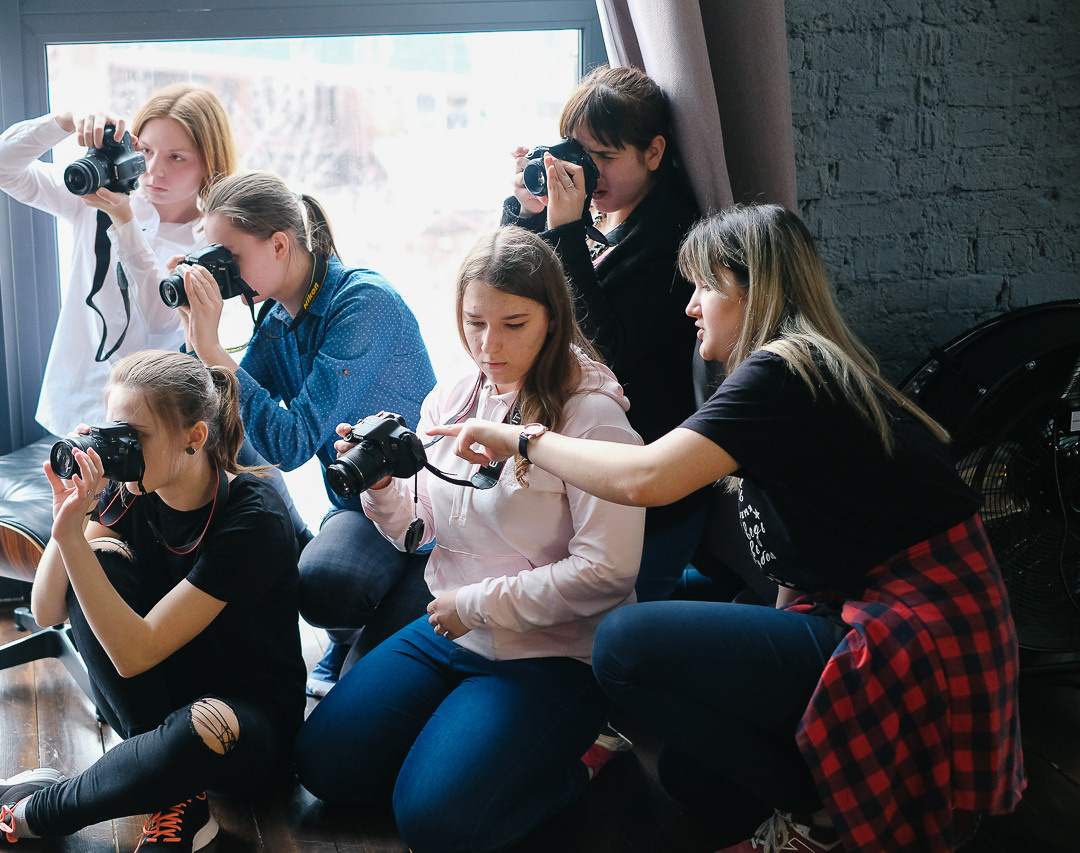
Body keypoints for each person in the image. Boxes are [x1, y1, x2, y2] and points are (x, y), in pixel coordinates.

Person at [433, 205, 1026, 853]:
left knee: (624, 641)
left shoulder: (783, 372)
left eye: (706, 287)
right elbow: (793, 558)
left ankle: (818, 817)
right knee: (695, 777)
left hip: (914, 631)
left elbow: (644, 479)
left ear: (756, 290)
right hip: (884, 608)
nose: (692, 306)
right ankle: (814, 790)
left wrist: (522, 439)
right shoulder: (798, 369)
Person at [293, 227, 645, 853]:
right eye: (475, 323)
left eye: (513, 324)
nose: (490, 345)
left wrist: (477, 604)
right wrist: (378, 485)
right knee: (324, 765)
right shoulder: (456, 395)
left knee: (434, 823)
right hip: (451, 629)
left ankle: (576, 765)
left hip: (550, 653)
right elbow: (417, 530)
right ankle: (467, 746)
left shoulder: (593, 419)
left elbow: (608, 572)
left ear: (552, 318)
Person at [0, 350, 306, 852]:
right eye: (113, 431)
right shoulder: (131, 489)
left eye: (134, 437)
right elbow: (48, 611)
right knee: (98, 558)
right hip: (156, 707)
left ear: (194, 437)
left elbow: (135, 653)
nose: (120, 451)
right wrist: (67, 522)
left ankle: (25, 811)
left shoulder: (253, 516)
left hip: (242, 726)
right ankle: (177, 801)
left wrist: (75, 540)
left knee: (199, 723)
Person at [0, 83, 309, 543]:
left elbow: (160, 317)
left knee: (220, 504)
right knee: (99, 540)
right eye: (146, 150)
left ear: (209, 164)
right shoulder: (97, 195)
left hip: (155, 429)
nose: (155, 171)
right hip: (80, 403)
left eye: (178, 158)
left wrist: (125, 223)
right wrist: (67, 120)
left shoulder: (215, 241)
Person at [177, 170, 436, 695]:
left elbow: (290, 443)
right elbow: (219, 414)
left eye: (228, 257)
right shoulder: (278, 317)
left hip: (430, 510)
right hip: (358, 505)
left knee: (361, 681)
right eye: (212, 257)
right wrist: (192, 328)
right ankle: (357, 627)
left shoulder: (364, 304)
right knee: (316, 583)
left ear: (279, 245)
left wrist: (213, 350)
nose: (220, 271)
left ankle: (401, 601)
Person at [503, 64, 706, 602]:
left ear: (655, 152)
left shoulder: (675, 237)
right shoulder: (606, 214)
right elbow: (515, 300)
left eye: (606, 158)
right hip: (576, 457)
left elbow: (604, 350)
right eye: (580, 156)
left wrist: (566, 233)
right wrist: (527, 215)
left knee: (601, 628)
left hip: (639, 480)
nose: (590, 176)